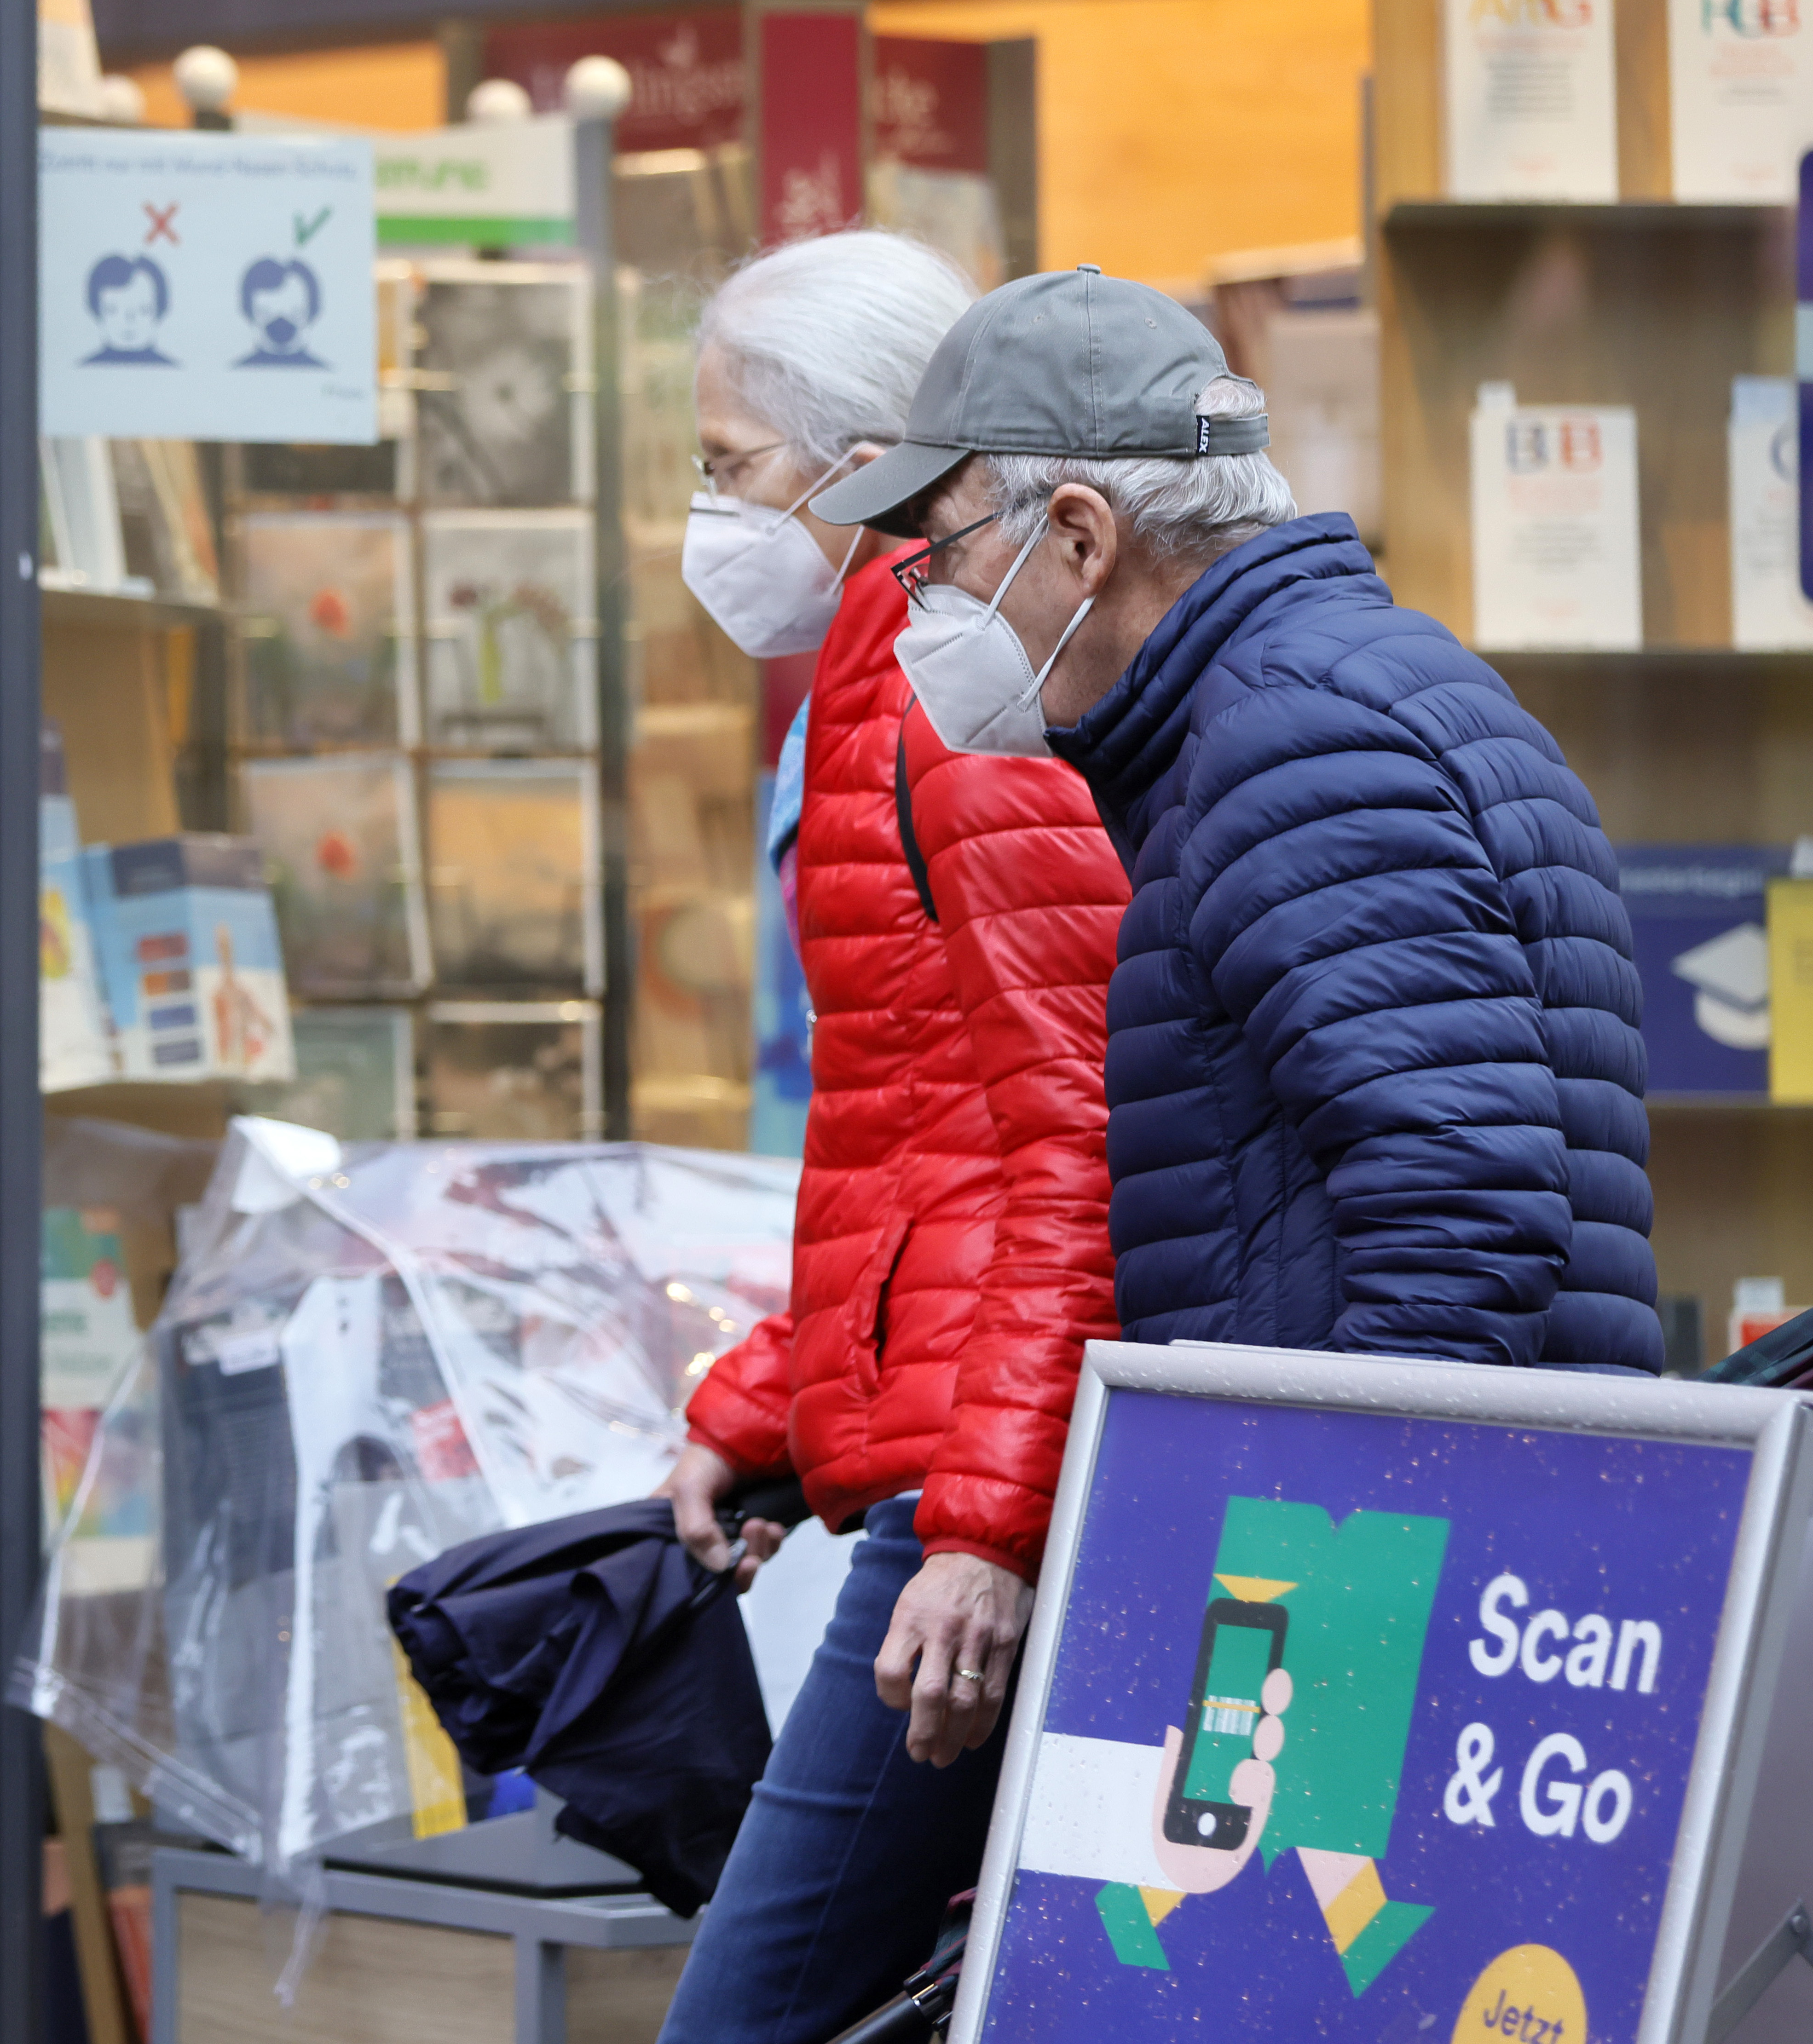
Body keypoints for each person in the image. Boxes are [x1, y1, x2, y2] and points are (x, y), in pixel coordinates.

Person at [814, 262, 1660, 1383]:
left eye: (940, 556)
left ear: (1079, 540)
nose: (925, 605)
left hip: (1397, 1529)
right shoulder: (1311, 697)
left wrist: (1314, 1540)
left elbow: (1456, 1212)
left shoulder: (1292, 739)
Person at [654, 230, 1132, 2044]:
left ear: (859, 461)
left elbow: (1074, 1124)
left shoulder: (955, 690)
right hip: (970, 1441)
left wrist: (984, 1531)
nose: (707, 517)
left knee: (746, 2012)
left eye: (730, 468)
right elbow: (923, 1125)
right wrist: (771, 1396)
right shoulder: (877, 676)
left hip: (988, 1480)